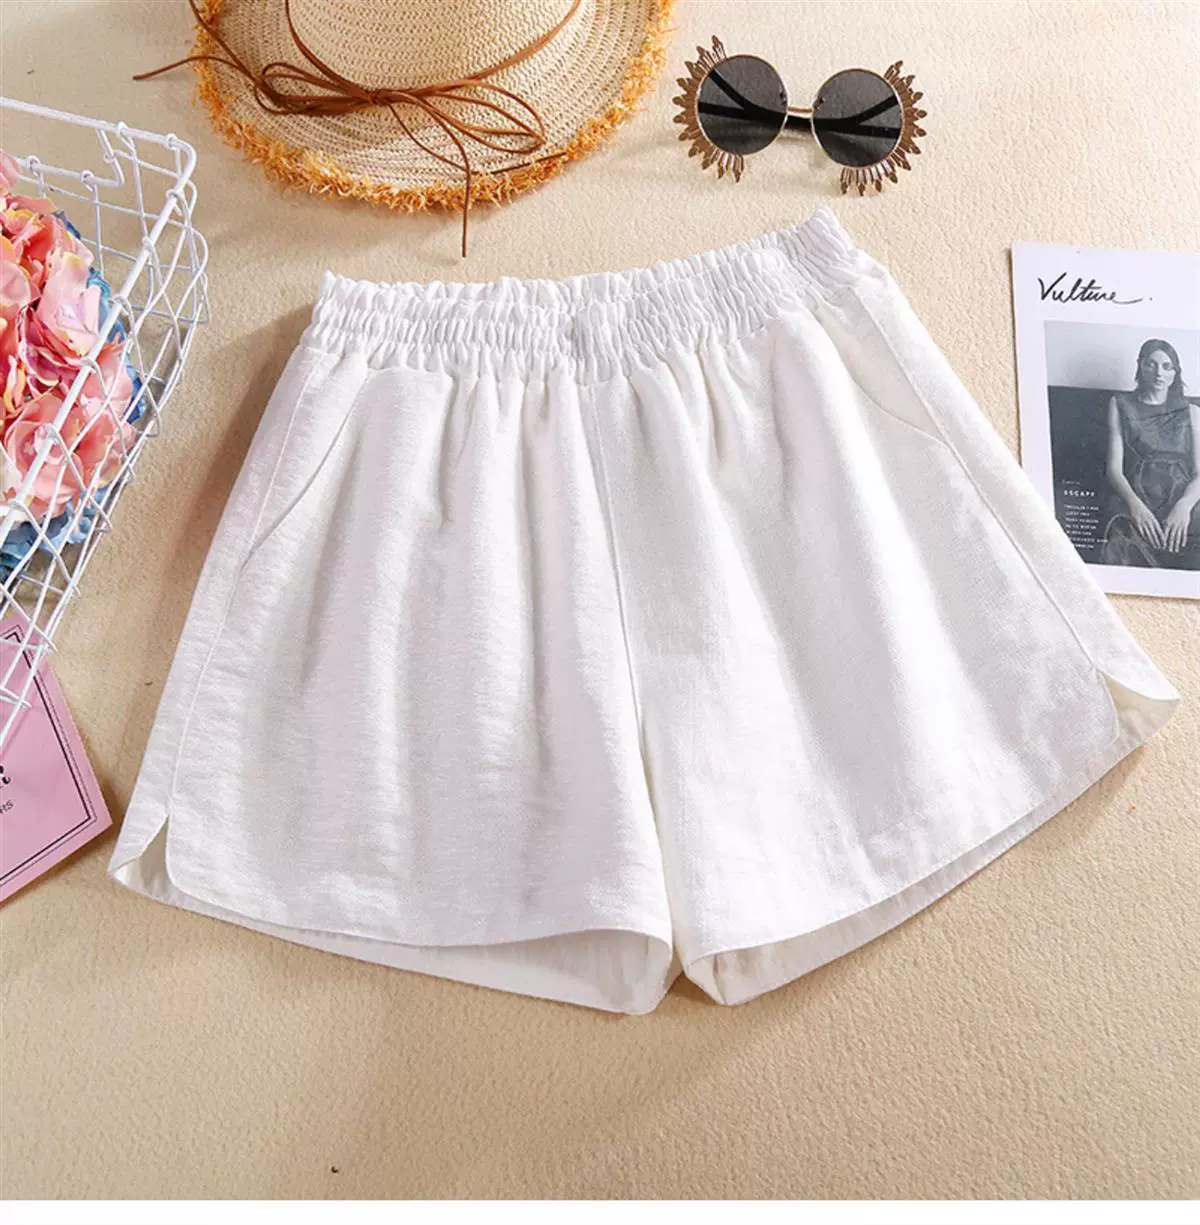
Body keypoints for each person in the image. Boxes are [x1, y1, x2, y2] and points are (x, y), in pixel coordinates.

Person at [1100, 338, 1200, 568]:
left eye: (1167, 366)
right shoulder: (1119, 404)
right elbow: (1113, 470)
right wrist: (1135, 506)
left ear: (1175, 373)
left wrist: (1184, 506)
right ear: (1141, 367)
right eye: (1151, 364)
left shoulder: (1192, 411)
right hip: (1137, 493)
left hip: (1181, 494)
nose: (1158, 373)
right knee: (1122, 540)